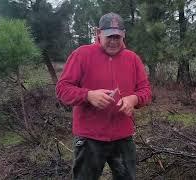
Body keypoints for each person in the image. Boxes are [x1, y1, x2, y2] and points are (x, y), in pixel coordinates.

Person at [56, 12, 152, 180]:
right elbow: (62, 89)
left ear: (123, 35)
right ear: (98, 33)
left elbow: (146, 91)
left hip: (123, 137)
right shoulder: (81, 55)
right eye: (109, 36)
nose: (114, 41)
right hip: (89, 139)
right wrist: (88, 95)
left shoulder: (132, 59)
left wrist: (133, 99)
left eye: (117, 36)